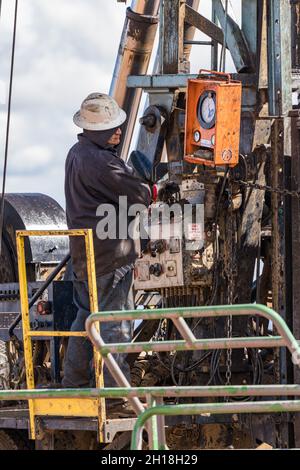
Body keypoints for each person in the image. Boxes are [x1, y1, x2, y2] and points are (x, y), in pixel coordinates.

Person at [62, 93, 151, 394]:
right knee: (116, 324)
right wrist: (150, 188)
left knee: (86, 320)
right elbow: (139, 195)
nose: (118, 131)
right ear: (95, 130)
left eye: (119, 126)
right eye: (111, 127)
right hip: (109, 258)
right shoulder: (101, 162)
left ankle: (73, 383)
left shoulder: (76, 153)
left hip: (84, 258)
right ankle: (114, 393)